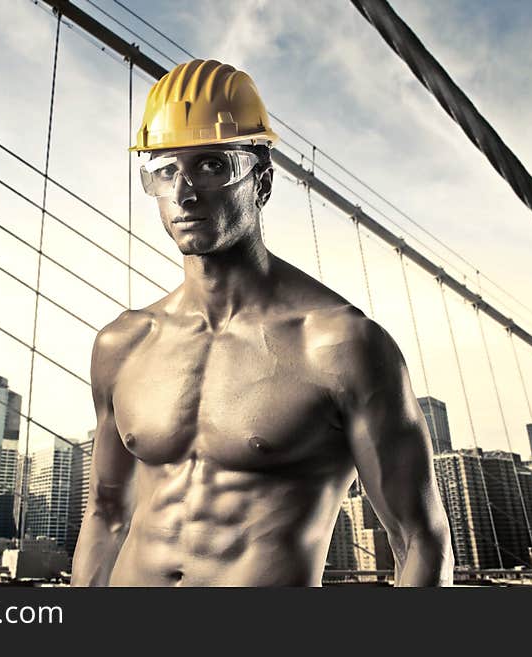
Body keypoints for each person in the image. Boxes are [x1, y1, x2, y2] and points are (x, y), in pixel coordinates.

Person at [71, 59, 453, 587]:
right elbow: (106, 517)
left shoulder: (339, 345)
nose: (183, 193)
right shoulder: (122, 343)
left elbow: (419, 542)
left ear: (263, 181)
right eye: (164, 172)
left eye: (211, 165)